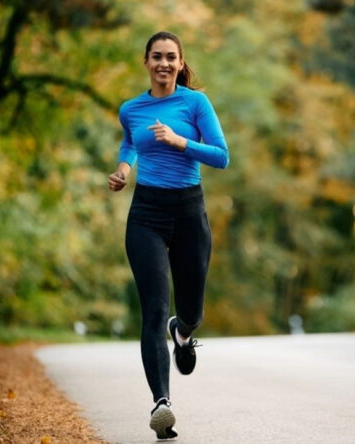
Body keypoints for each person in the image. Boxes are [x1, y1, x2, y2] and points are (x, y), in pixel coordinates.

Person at [108, 30, 229, 440]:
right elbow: (130, 144)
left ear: (180, 63)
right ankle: (162, 405)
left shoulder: (196, 103)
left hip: (190, 213)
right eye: (156, 56)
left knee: (190, 309)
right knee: (154, 309)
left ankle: (185, 330)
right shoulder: (131, 109)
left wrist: (180, 141)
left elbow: (222, 156)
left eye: (170, 57)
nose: (163, 63)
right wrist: (124, 169)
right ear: (146, 61)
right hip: (146, 215)